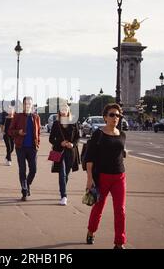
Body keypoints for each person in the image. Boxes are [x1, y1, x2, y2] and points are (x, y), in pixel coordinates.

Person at [85, 103, 127, 249]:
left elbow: (121, 152)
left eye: (118, 115)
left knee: (120, 210)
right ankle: (91, 231)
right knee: (98, 207)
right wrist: (90, 179)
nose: (115, 118)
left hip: (119, 177)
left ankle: (119, 242)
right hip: (102, 177)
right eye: (112, 115)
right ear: (105, 117)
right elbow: (89, 158)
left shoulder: (122, 134)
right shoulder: (98, 134)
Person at [8, 96, 41, 201]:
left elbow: (38, 132)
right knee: (22, 170)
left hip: (32, 148)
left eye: (29, 104)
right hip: (20, 147)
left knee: (34, 170)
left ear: (32, 105)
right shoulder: (17, 116)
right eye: (26, 104)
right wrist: (18, 132)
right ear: (23, 105)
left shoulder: (36, 117)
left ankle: (27, 183)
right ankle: (24, 191)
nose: (27, 106)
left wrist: (37, 144)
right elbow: (10, 131)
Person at [48, 104, 80, 206]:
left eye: (65, 109)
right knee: (62, 173)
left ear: (68, 110)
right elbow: (51, 139)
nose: (64, 111)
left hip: (71, 152)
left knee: (66, 173)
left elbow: (78, 137)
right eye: (62, 109)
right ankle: (64, 195)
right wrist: (60, 143)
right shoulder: (56, 124)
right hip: (59, 151)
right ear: (60, 111)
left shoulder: (74, 123)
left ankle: (62, 189)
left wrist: (72, 144)